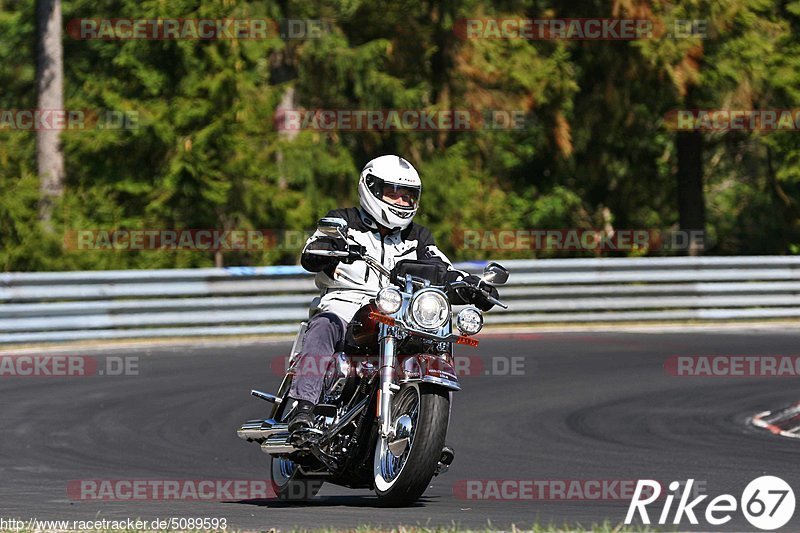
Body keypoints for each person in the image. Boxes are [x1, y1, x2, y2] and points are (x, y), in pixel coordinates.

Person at [287, 155, 496, 435]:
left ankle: (428, 431)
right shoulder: (343, 221)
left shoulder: (418, 236)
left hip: (400, 311)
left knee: (436, 339)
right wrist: (328, 248)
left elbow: (441, 267)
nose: (401, 202)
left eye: (408, 196)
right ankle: (303, 407)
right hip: (346, 305)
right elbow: (313, 249)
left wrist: (471, 285)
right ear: (371, 189)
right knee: (324, 326)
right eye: (393, 193)